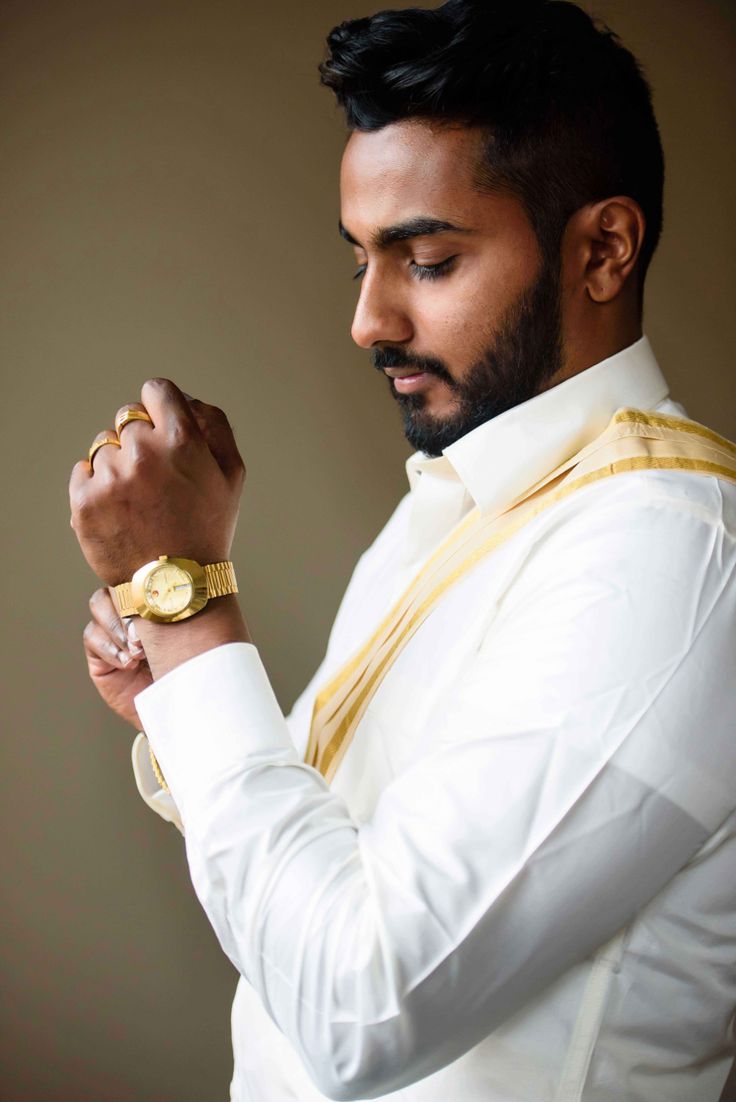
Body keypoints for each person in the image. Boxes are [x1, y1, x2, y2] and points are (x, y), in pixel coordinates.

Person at [69, 1, 736, 1099]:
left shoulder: (667, 549)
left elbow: (357, 1005)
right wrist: (181, 701)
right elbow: (344, 866)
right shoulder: (470, 496)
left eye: (424, 259)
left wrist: (188, 614)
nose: (367, 321)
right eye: (360, 263)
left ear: (603, 249)